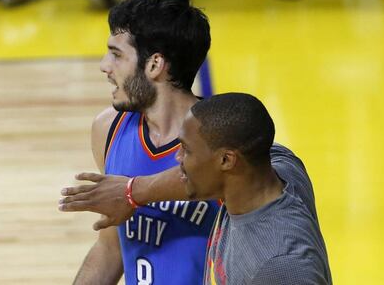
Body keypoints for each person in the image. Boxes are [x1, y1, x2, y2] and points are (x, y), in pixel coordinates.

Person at [61, 93, 332, 284]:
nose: (177, 160)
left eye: (187, 151)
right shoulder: (280, 169)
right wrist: (133, 191)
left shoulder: (279, 265)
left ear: (226, 160)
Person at [67, 0, 220, 284]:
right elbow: (110, 248)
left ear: (154, 64)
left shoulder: (219, 137)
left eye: (116, 54)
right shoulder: (108, 129)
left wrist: (132, 191)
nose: (104, 65)